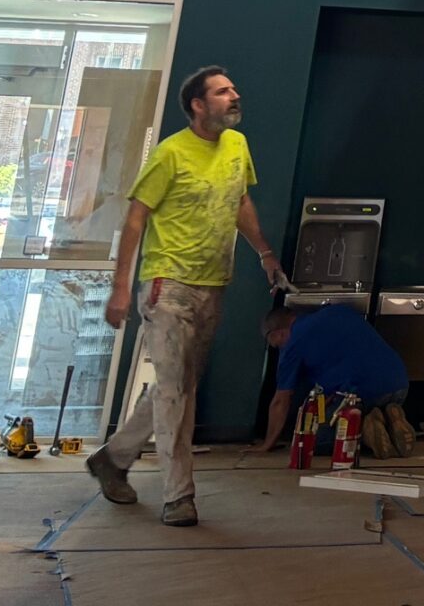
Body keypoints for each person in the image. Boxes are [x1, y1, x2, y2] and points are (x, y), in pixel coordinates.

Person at [87, 65, 286, 525]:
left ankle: (113, 458)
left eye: (233, 89)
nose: (234, 96)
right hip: (168, 284)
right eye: (223, 91)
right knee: (177, 391)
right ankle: (179, 495)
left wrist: (265, 253)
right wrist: (120, 289)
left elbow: (240, 202)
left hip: (213, 284)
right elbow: (135, 219)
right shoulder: (170, 154)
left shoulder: (236, 145)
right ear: (198, 105)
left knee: (176, 386)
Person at [258, 302, 415, 458]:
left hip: (362, 393)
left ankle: (364, 427)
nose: (279, 348)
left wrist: (267, 444)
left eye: (275, 345)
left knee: (310, 441)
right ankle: (388, 420)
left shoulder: (293, 343)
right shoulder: (339, 311)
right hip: (400, 386)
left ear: (277, 334)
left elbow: (281, 400)